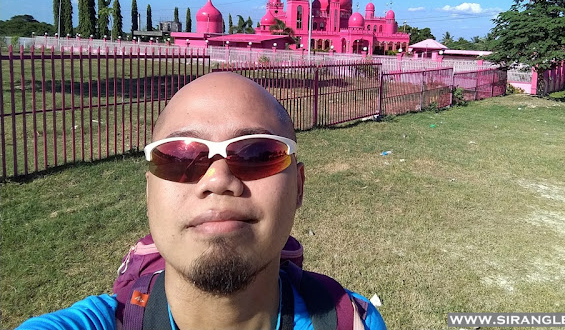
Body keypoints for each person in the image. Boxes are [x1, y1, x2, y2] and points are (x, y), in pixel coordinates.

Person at [17, 72, 386, 330]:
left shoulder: (352, 321)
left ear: (299, 187)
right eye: (179, 157)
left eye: (258, 153)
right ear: (149, 192)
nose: (219, 180)